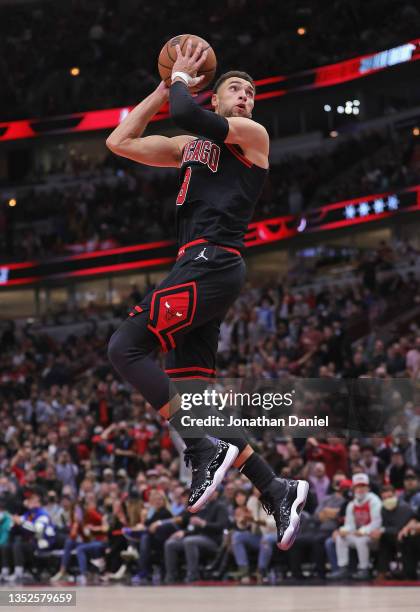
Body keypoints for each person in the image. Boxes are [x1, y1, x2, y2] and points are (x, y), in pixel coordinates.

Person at [106, 38, 308, 550]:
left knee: (124, 348)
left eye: (251, 93)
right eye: (236, 90)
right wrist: (161, 87)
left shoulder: (250, 135)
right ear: (215, 98)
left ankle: (200, 450)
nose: (245, 97)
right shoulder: (187, 148)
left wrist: (180, 81)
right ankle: (276, 486)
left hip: (212, 260)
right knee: (195, 404)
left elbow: (185, 113)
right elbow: (120, 141)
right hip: (196, 266)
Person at [329, 473, 382, 581]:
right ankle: (343, 568)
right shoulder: (352, 504)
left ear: (368, 488)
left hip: (374, 534)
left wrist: (363, 531)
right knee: (341, 538)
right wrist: (343, 530)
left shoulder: (374, 501)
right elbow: (350, 525)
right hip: (359, 533)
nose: (360, 489)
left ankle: (364, 569)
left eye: (362, 486)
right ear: (353, 488)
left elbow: (377, 522)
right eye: (357, 487)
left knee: (360, 540)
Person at [372, 485, 412, 580]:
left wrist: (382, 530)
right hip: (391, 537)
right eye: (384, 498)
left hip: (407, 537)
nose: (387, 500)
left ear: (396, 495)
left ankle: (407, 572)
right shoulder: (384, 509)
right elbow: (384, 525)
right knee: (383, 540)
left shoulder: (404, 507)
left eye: (389, 497)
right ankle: (382, 571)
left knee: (395, 538)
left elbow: (399, 527)